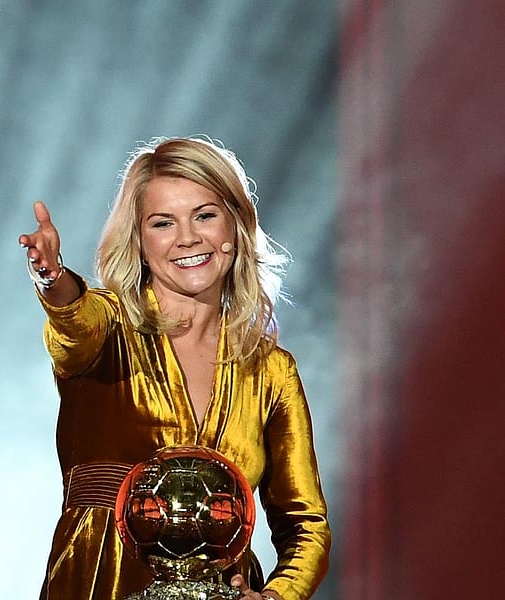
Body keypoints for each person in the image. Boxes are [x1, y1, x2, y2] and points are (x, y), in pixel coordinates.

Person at [18, 137, 330, 600]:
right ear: (140, 242)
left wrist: (276, 596)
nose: (188, 238)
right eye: (164, 223)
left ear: (236, 226)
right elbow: (73, 322)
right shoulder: (108, 329)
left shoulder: (271, 371)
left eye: (204, 215)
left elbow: (306, 525)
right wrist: (52, 278)